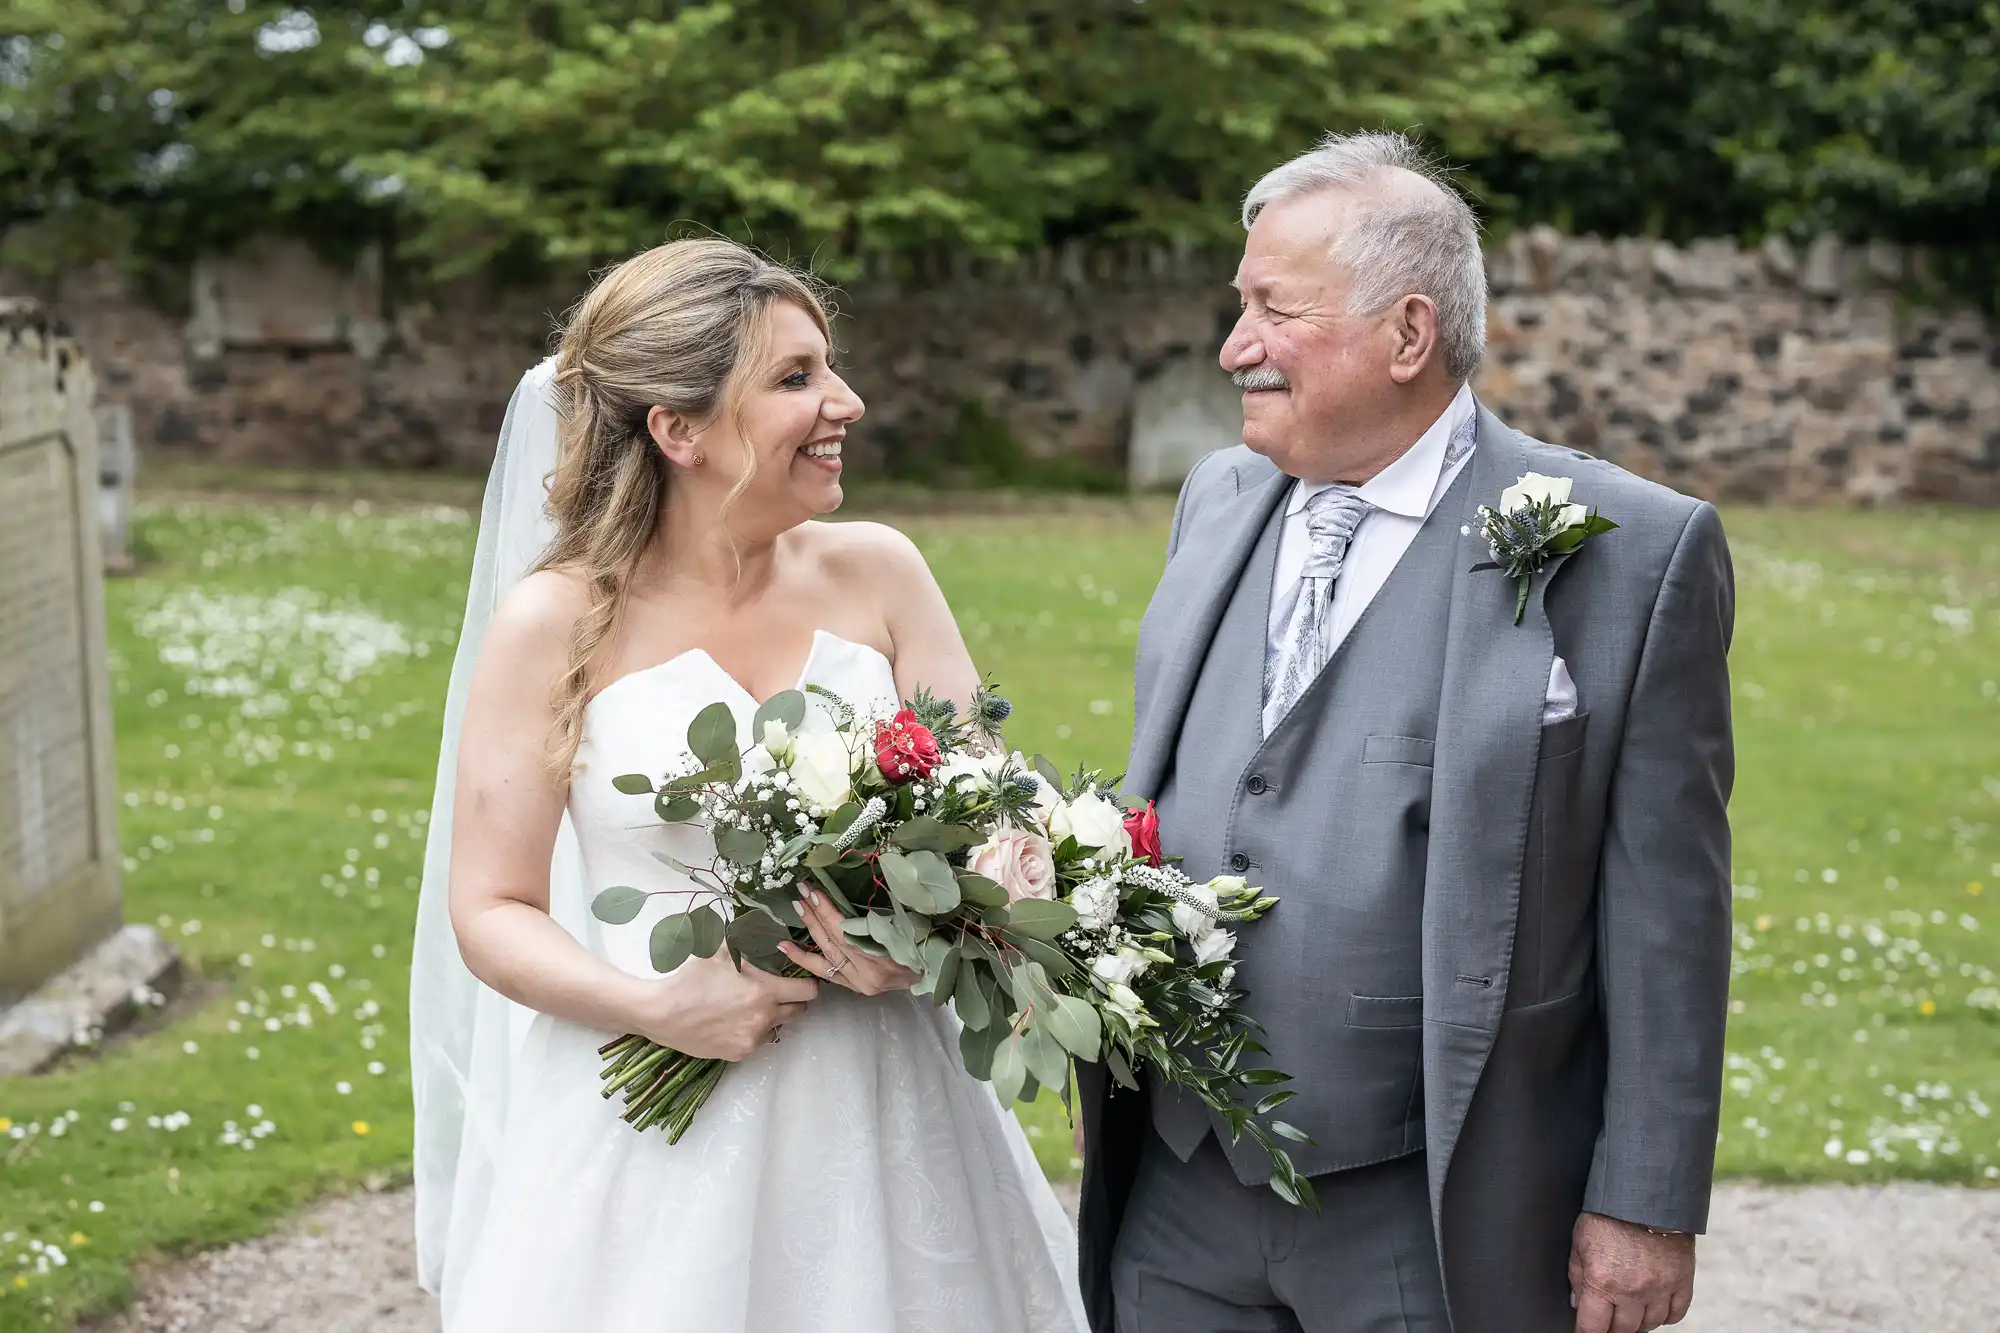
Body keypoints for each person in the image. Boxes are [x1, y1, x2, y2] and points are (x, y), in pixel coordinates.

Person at [1077, 132, 1735, 1333]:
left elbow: (1665, 909)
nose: (1234, 347)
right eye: (1240, 306)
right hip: (1178, 1192)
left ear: (1406, 335)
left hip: (1432, 1209)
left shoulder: (1628, 551)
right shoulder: (1216, 499)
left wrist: (1643, 1199)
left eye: (1273, 310)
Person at [409, 238, 1089, 1333]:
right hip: (648, 1125)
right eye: (795, 378)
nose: (846, 402)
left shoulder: (880, 571)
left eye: (828, 367)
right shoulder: (555, 621)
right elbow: (490, 909)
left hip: (889, 1104)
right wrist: (657, 1006)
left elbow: (1000, 824)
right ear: (676, 430)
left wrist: (931, 938)